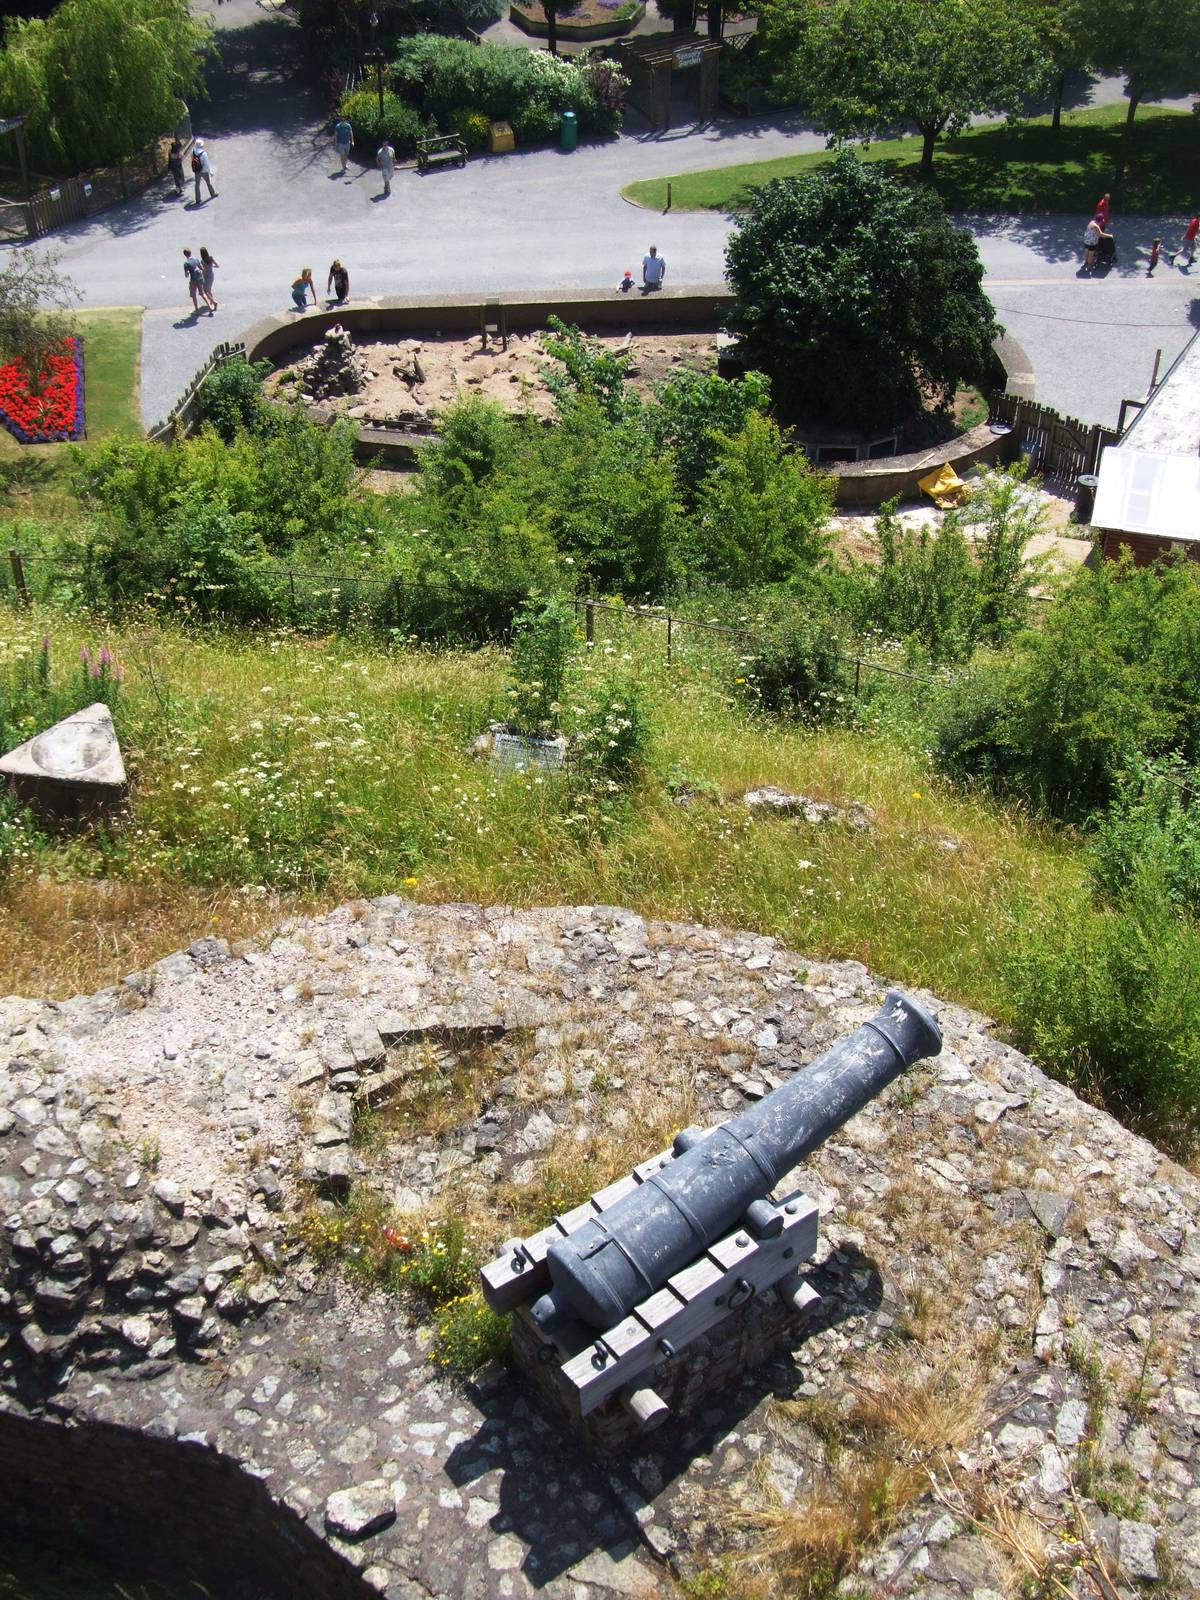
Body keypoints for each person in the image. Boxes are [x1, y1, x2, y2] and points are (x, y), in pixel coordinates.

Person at [182, 248, 211, 313]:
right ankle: (210, 306)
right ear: (190, 252)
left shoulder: (186, 263)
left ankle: (196, 309)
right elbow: (202, 268)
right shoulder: (196, 259)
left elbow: (186, 275)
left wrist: (187, 273)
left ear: (185, 255)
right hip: (200, 278)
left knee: (193, 294)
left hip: (193, 280)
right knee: (202, 293)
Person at [191, 139, 217, 204]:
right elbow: (207, 163)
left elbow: (192, 159)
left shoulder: (193, 151)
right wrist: (210, 172)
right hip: (204, 170)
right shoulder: (204, 153)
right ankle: (212, 194)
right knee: (208, 183)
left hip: (197, 170)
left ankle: (198, 199)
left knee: (197, 184)